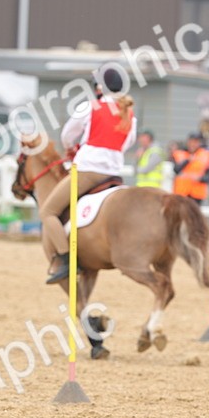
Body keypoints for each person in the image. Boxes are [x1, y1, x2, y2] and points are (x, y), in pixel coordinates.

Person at [41, 68, 137, 283]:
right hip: (113, 174)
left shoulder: (90, 107)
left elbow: (68, 134)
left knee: (48, 211)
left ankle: (65, 259)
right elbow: (128, 142)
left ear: (99, 87)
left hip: (88, 171)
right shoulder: (129, 114)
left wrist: (70, 148)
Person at [172, 133, 209, 204]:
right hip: (181, 193)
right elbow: (176, 170)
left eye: (196, 142)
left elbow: (208, 177)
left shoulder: (206, 155)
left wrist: (200, 179)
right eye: (191, 142)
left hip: (197, 194)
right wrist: (188, 160)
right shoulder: (180, 153)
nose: (193, 145)